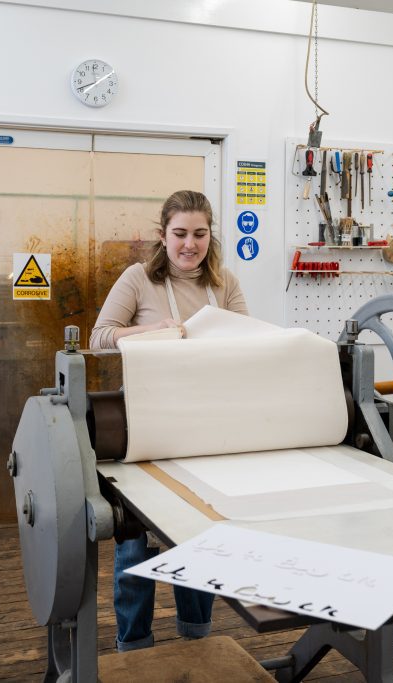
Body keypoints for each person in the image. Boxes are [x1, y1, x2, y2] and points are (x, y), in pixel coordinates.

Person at [90, 189, 248, 651]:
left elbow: (247, 344)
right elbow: (100, 338)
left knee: (200, 536)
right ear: (163, 236)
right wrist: (151, 331)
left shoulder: (225, 284)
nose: (189, 245)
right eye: (179, 234)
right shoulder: (138, 279)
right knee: (135, 543)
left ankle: (196, 639)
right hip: (144, 428)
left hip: (204, 428)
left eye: (199, 234)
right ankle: (133, 644)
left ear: (209, 235)